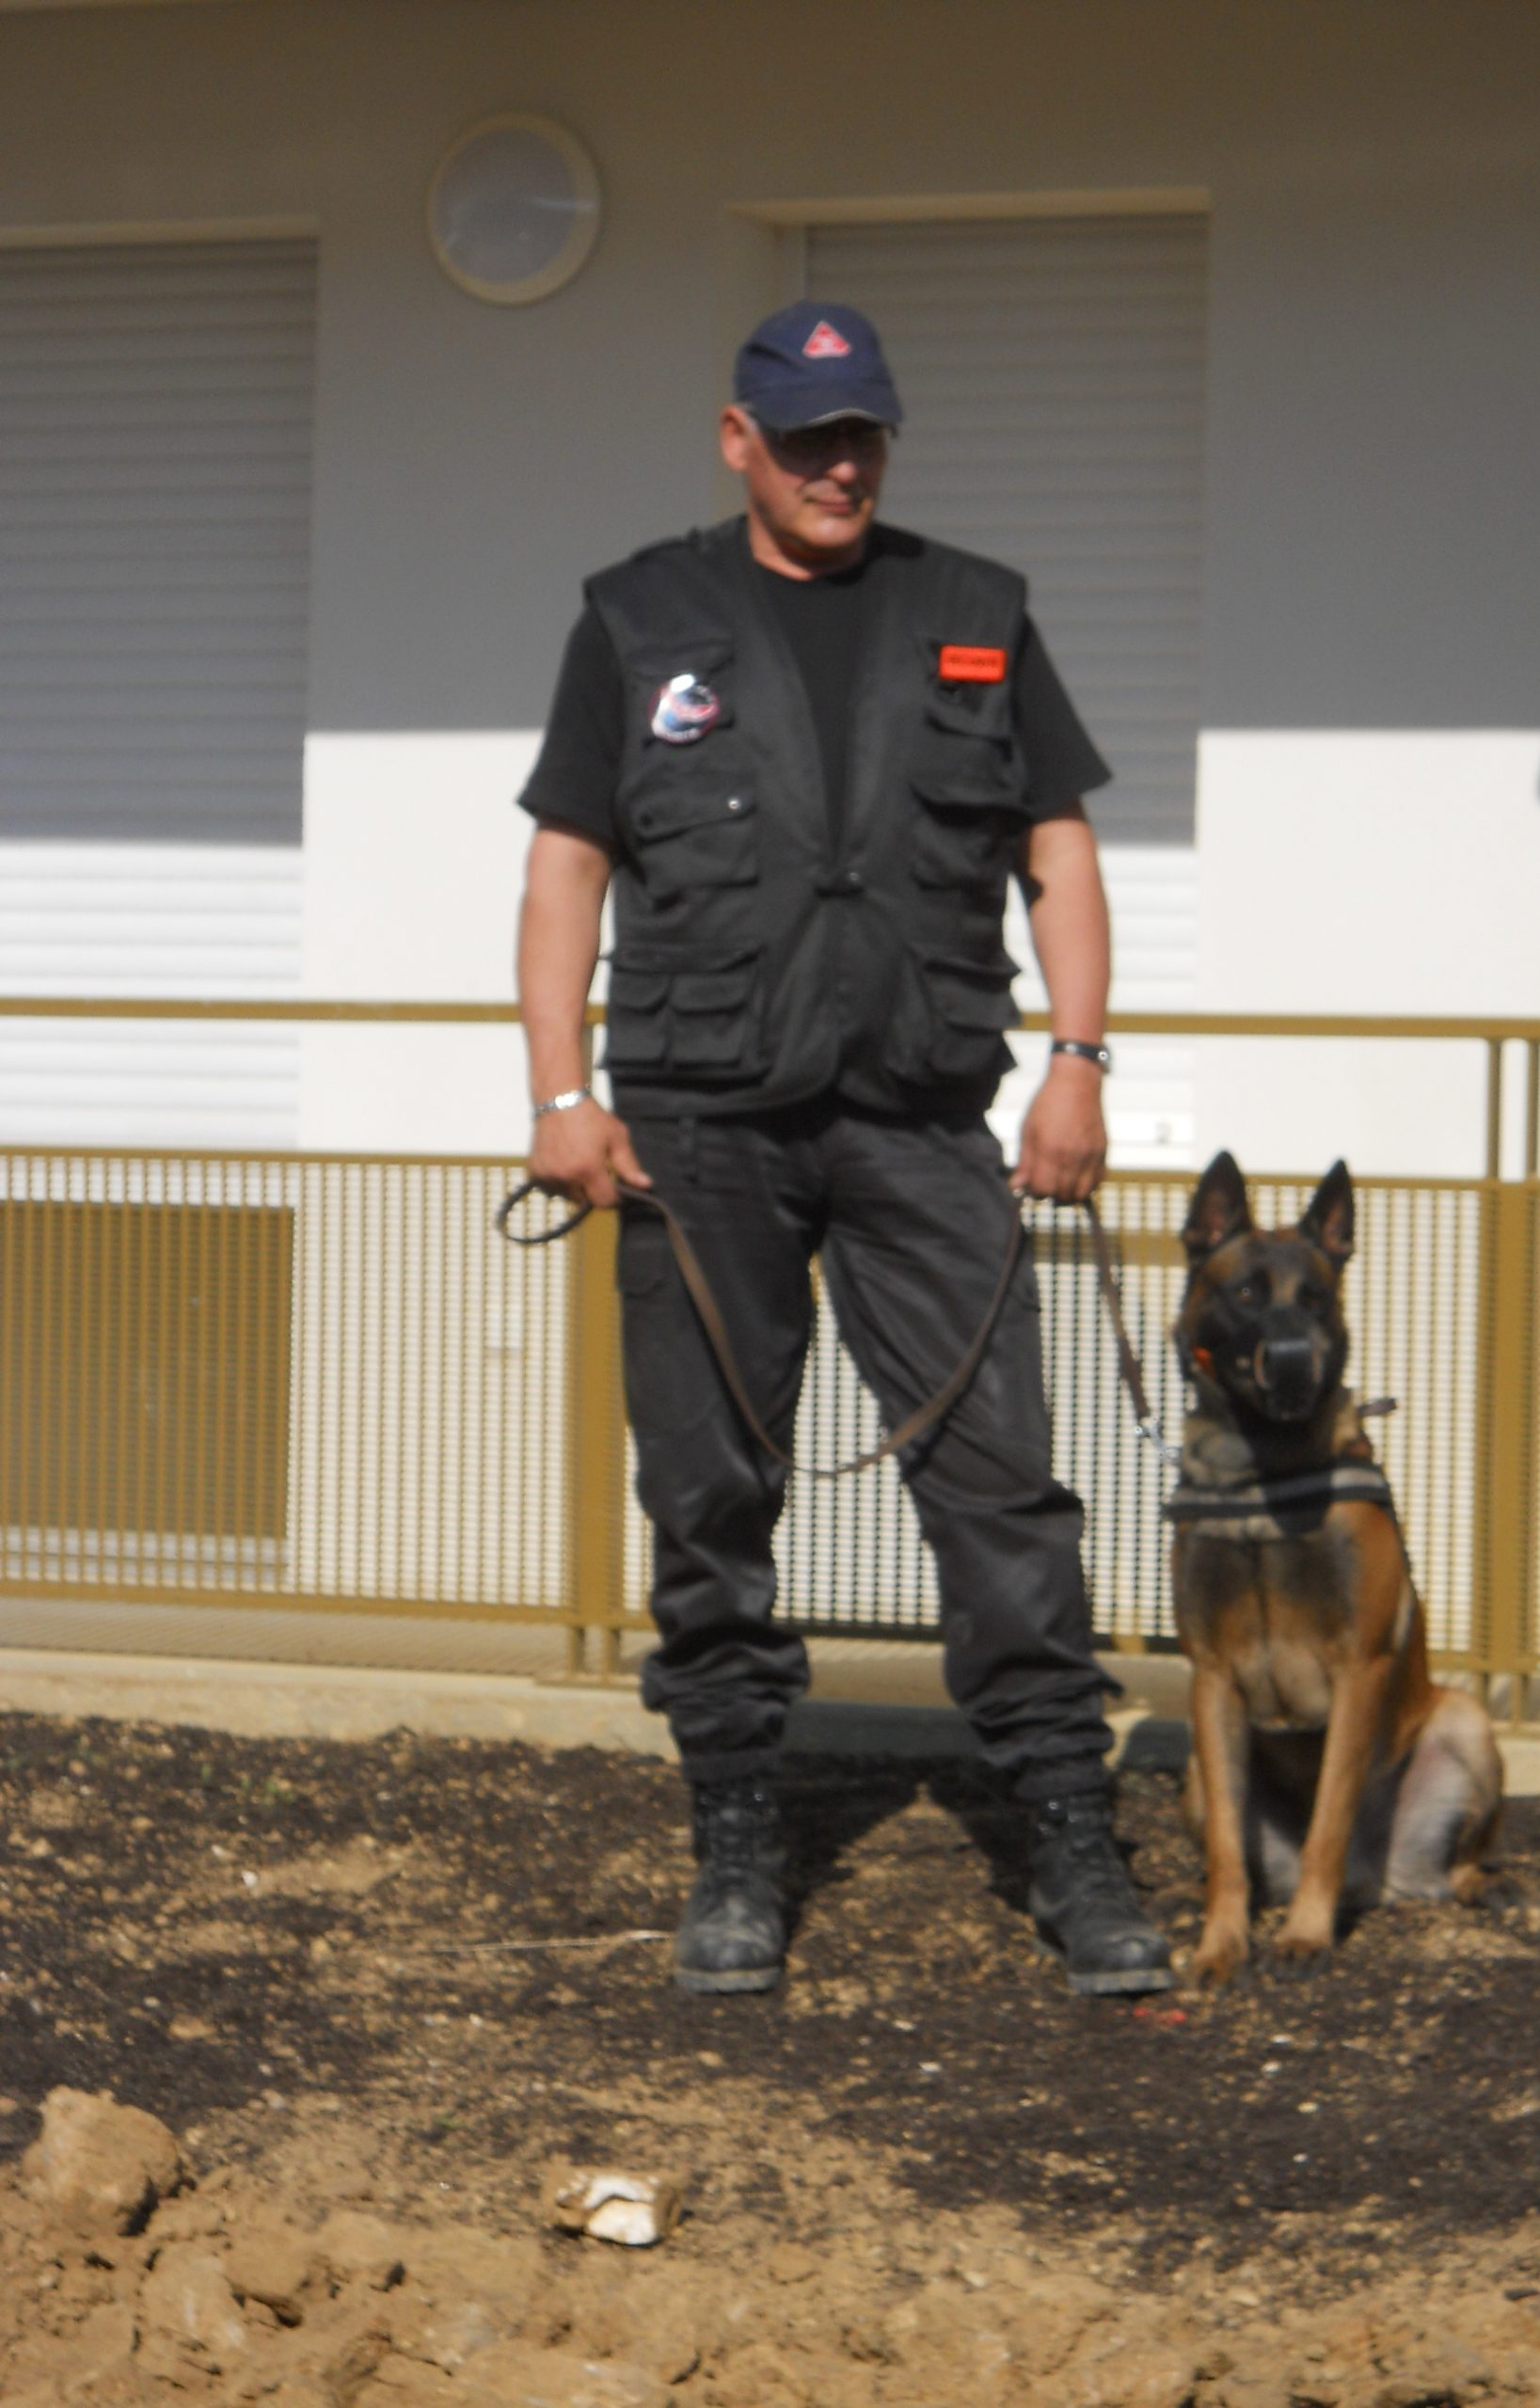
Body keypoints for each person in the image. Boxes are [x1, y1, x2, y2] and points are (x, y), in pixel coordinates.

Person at [514, 301, 1172, 2001]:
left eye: (861, 433)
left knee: (1002, 1487)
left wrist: (1078, 1067)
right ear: (739, 440)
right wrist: (557, 1098)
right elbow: (568, 873)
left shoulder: (976, 613)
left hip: (916, 1120)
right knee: (709, 1490)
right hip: (696, 1133)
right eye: (805, 438)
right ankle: (739, 1831)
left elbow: (1061, 854)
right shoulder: (638, 616)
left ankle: (1065, 1834)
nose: (838, 464)